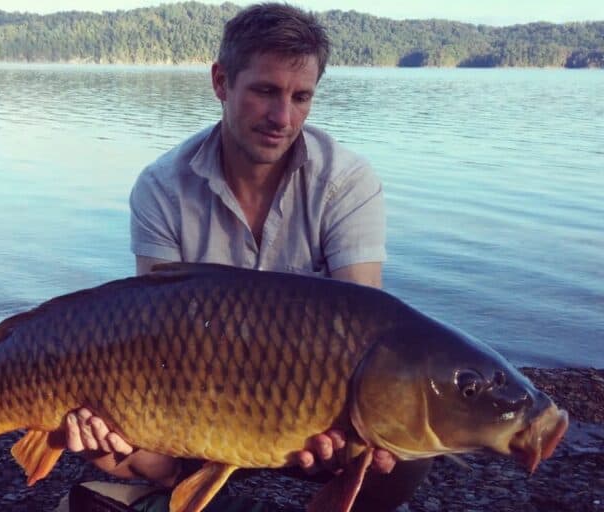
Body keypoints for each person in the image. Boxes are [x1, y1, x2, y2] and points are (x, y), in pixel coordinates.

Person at [63, 3, 431, 511]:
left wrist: (347, 431)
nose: (283, 117)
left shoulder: (346, 183)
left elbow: (366, 328)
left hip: (314, 410)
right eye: (265, 91)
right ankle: (174, 486)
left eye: (301, 97)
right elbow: (148, 336)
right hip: (197, 396)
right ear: (221, 82)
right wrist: (124, 430)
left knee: (406, 446)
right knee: (107, 443)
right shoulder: (162, 188)